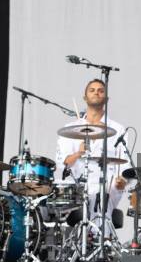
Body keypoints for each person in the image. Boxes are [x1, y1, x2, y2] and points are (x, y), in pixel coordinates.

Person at [55, 79, 129, 235]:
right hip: (78, 188)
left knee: (100, 196)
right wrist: (78, 153)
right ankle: (92, 243)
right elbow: (63, 163)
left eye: (101, 90)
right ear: (85, 97)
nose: (96, 92)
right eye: (92, 90)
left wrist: (123, 180)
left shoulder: (118, 129)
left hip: (108, 185)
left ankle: (99, 244)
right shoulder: (71, 129)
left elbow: (124, 163)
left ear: (106, 99)